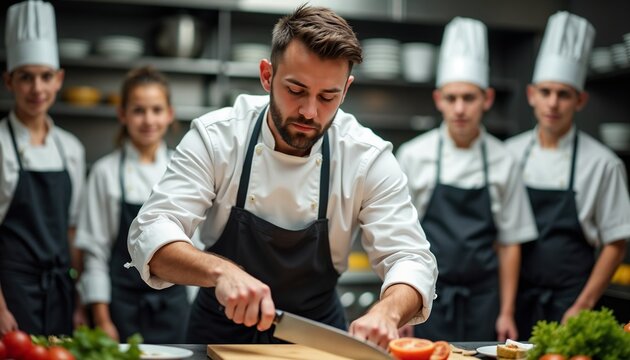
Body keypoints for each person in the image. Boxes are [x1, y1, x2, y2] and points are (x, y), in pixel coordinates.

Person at [127, 4, 437, 348]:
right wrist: (221, 271)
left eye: (328, 97)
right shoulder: (218, 137)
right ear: (267, 76)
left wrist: (388, 312)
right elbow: (151, 229)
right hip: (218, 336)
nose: (309, 111)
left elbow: (411, 257)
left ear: (346, 90)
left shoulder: (366, 157)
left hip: (317, 338)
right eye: (296, 90)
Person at [396, 17, 538, 342]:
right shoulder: (414, 155)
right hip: (428, 296)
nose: (459, 108)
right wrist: (402, 307)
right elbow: (400, 240)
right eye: (451, 98)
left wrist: (506, 312)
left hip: (485, 301)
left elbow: (509, 243)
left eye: (469, 98)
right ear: (438, 100)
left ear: (487, 99)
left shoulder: (504, 160)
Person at [506, 11, 630, 340]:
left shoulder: (603, 164)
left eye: (564, 94)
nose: (553, 103)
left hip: (572, 303)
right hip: (515, 302)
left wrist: (583, 304)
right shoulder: (510, 155)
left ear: (580, 100)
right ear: (532, 95)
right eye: (545, 92)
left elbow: (615, 243)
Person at [74, 66, 189, 343]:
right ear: (122, 114)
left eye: (156, 110)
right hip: (120, 309)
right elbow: (95, 253)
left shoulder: (183, 170)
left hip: (175, 309)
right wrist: (101, 319)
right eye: (139, 110)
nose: (148, 119)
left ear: (169, 114)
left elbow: (196, 246)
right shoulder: (105, 172)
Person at [0, 0, 85, 336]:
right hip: (12, 292)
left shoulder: (71, 148)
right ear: (9, 81)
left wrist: (78, 300)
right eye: (26, 78)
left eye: (45, 76)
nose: (37, 89)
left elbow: (73, 232)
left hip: (60, 292)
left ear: (59, 79)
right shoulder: (2, 145)